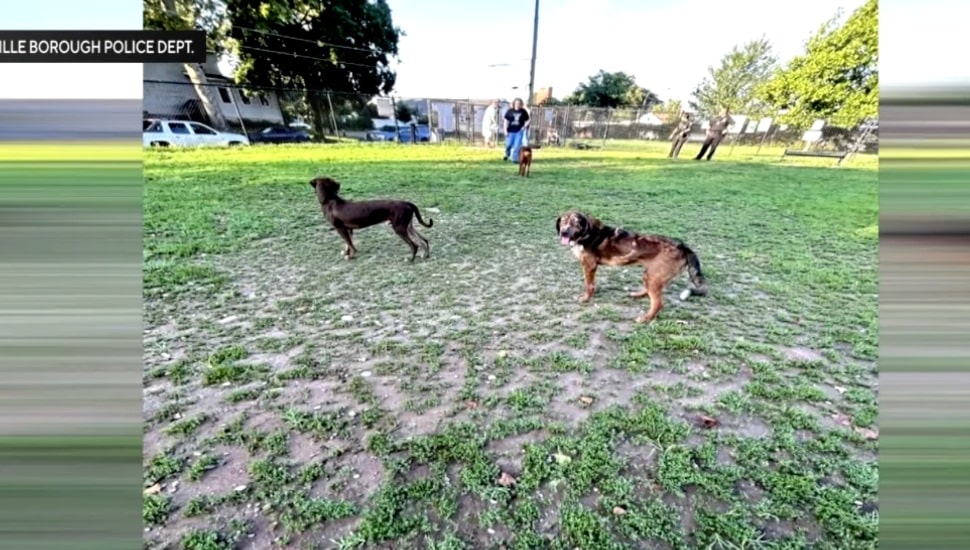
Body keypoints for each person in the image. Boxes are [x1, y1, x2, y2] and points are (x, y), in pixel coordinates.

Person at [503, 98, 530, 162]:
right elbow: (505, 121)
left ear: (521, 104)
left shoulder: (523, 111)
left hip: (519, 131)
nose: (517, 105)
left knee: (517, 146)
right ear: (514, 103)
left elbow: (528, 120)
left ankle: (515, 159)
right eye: (516, 103)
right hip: (510, 131)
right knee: (508, 145)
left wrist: (524, 126)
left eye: (519, 103)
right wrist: (505, 130)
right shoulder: (510, 111)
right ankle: (507, 154)